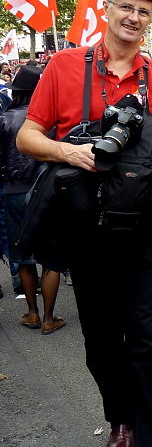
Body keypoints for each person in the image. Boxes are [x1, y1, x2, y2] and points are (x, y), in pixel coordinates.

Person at [16, 0, 152, 447]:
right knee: (100, 342)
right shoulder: (65, 66)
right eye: (125, 7)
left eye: (144, 11)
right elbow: (29, 136)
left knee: (148, 341)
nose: (134, 18)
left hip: (142, 231)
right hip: (83, 230)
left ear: (150, 20)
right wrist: (71, 151)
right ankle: (119, 414)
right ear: (106, 8)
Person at [0, 65, 65, 333]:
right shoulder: (51, 120)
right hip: (47, 192)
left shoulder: (3, 119)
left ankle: (33, 312)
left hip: (13, 192)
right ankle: (49, 317)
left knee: (22, 255)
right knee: (51, 258)